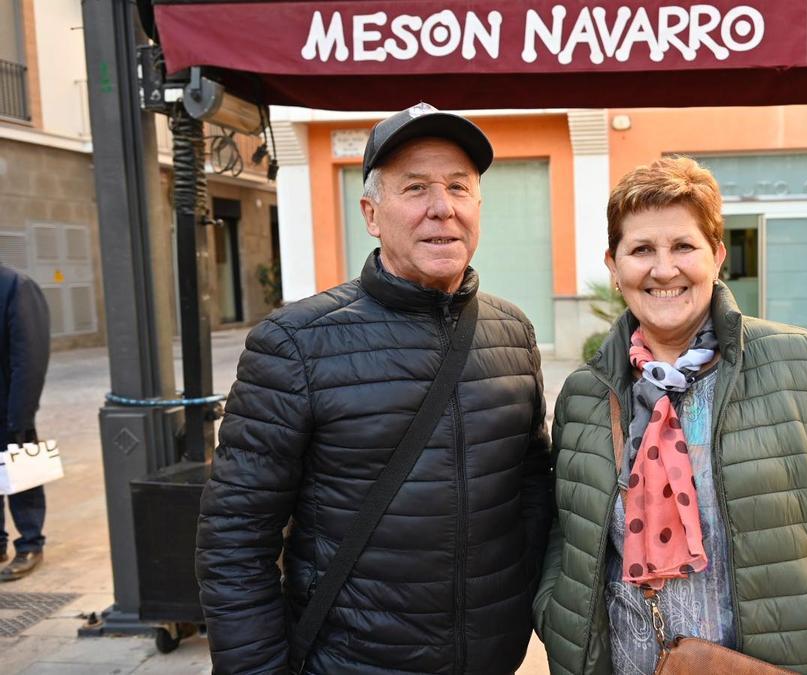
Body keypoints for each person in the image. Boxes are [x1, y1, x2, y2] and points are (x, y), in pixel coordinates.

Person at [196, 103, 554, 674]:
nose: (443, 208)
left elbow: (531, 490)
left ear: (478, 207)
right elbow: (236, 538)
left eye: (459, 188)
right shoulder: (295, 343)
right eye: (415, 188)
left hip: (491, 658)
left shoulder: (512, 332)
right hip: (350, 661)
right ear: (371, 212)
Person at [534, 157, 807, 674]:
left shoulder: (802, 364)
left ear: (716, 256)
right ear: (613, 263)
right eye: (641, 249)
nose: (663, 269)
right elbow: (567, 524)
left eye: (683, 247)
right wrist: (557, 615)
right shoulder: (585, 394)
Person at [0, 263, 51, 582]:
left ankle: (30, 543)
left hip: (8, 406)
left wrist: (21, 414)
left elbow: (29, 358)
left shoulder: (16, 286)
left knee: (20, 474)